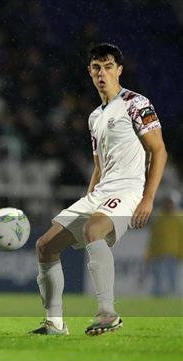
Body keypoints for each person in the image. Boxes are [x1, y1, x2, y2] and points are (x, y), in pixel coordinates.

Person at [30, 43, 167, 336]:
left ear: (119, 70)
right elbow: (98, 167)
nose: (102, 73)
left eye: (107, 67)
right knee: (45, 245)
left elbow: (159, 151)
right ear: (89, 72)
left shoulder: (136, 103)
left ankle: (108, 313)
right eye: (96, 67)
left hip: (129, 190)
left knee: (94, 230)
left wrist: (148, 198)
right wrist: (88, 196)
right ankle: (54, 323)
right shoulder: (95, 117)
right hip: (100, 193)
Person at [146, 191, 183, 296]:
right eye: (167, 202)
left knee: (173, 279)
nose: (169, 204)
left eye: (170, 202)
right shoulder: (158, 217)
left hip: (174, 254)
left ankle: (172, 299)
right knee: (158, 278)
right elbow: (153, 237)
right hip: (158, 253)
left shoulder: (180, 217)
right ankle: (158, 299)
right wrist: (149, 252)